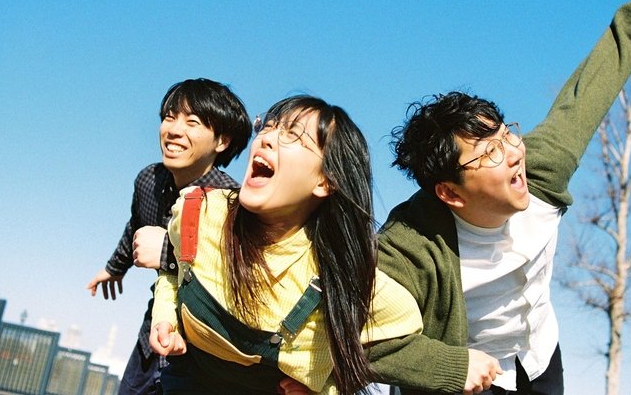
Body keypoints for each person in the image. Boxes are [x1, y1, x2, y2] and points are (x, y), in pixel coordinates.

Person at [366, 0, 631, 395]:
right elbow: (349, 333)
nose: (513, 154)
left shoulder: (540, 172)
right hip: (464, 375)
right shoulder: (409, 247)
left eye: (506, 134)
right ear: (450, 192)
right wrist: (449, 366)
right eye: (490, 151)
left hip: (539, 357)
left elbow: (584, 98)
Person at [149, 95, 425, 395]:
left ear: (325, 182)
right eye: (268, 127)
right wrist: (164, 316)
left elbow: (399, 333)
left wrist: (328, 388)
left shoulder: (341, 277)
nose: (267, 138)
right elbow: (173, 272)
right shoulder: (198, 210)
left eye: (293, 135)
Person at [86, 78, 252, 395]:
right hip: (153, 336)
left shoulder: (232, 205)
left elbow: (235, 278)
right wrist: (115, 267)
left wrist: (166, 252)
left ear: (222, 141)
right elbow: (137, 225)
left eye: (192, 122)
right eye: (169, 117)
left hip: (203, 353)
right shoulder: (148, 180)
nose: (174, 130)